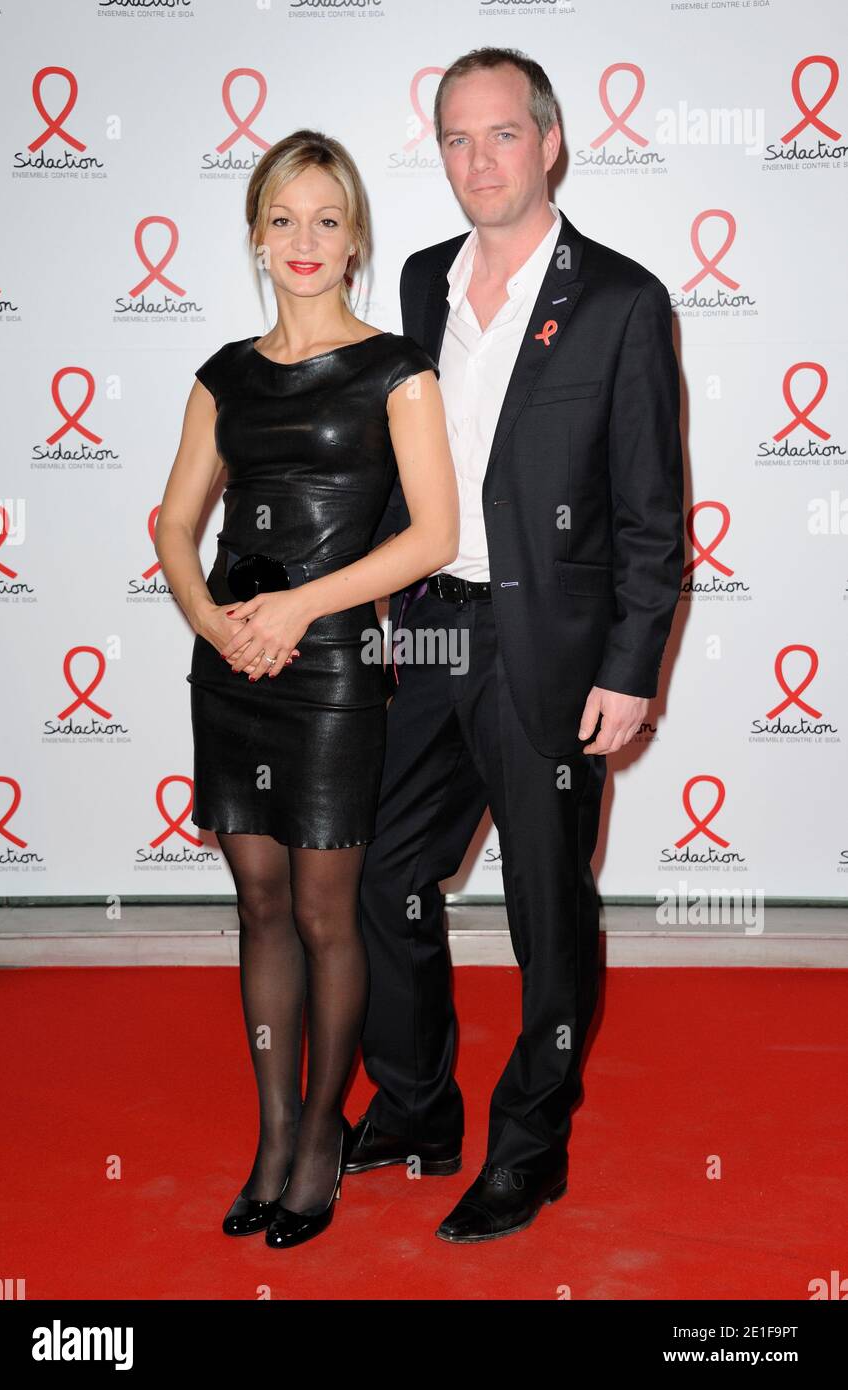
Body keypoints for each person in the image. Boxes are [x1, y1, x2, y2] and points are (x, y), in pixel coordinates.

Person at [346, 48, 685, 1243]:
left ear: (549, 142)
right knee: (382, 869)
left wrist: (629, 668)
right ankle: (415, 1102)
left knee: (546, 903)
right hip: (433, 628)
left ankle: (529, 1142)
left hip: (550, 649)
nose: (477, 160)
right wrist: (382, 582)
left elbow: (651, 512)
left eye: (500, 134)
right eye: (453, 138)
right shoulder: (425, 275)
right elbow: (414, 449)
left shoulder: (621, 301)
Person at [154, 130, 458, 1249]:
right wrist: (214, 622)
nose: (304, 241)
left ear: (355, 238)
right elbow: (174, 523)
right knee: (261, 908)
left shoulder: (396, 367)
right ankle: (274, 1133)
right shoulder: (223, 374)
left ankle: (324, 1134)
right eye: (283, 218)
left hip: (328, 669)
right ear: (254, 233)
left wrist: (298, 608)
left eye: (327, 220)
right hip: (232, 664)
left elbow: (432, 535)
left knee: (328, 913)